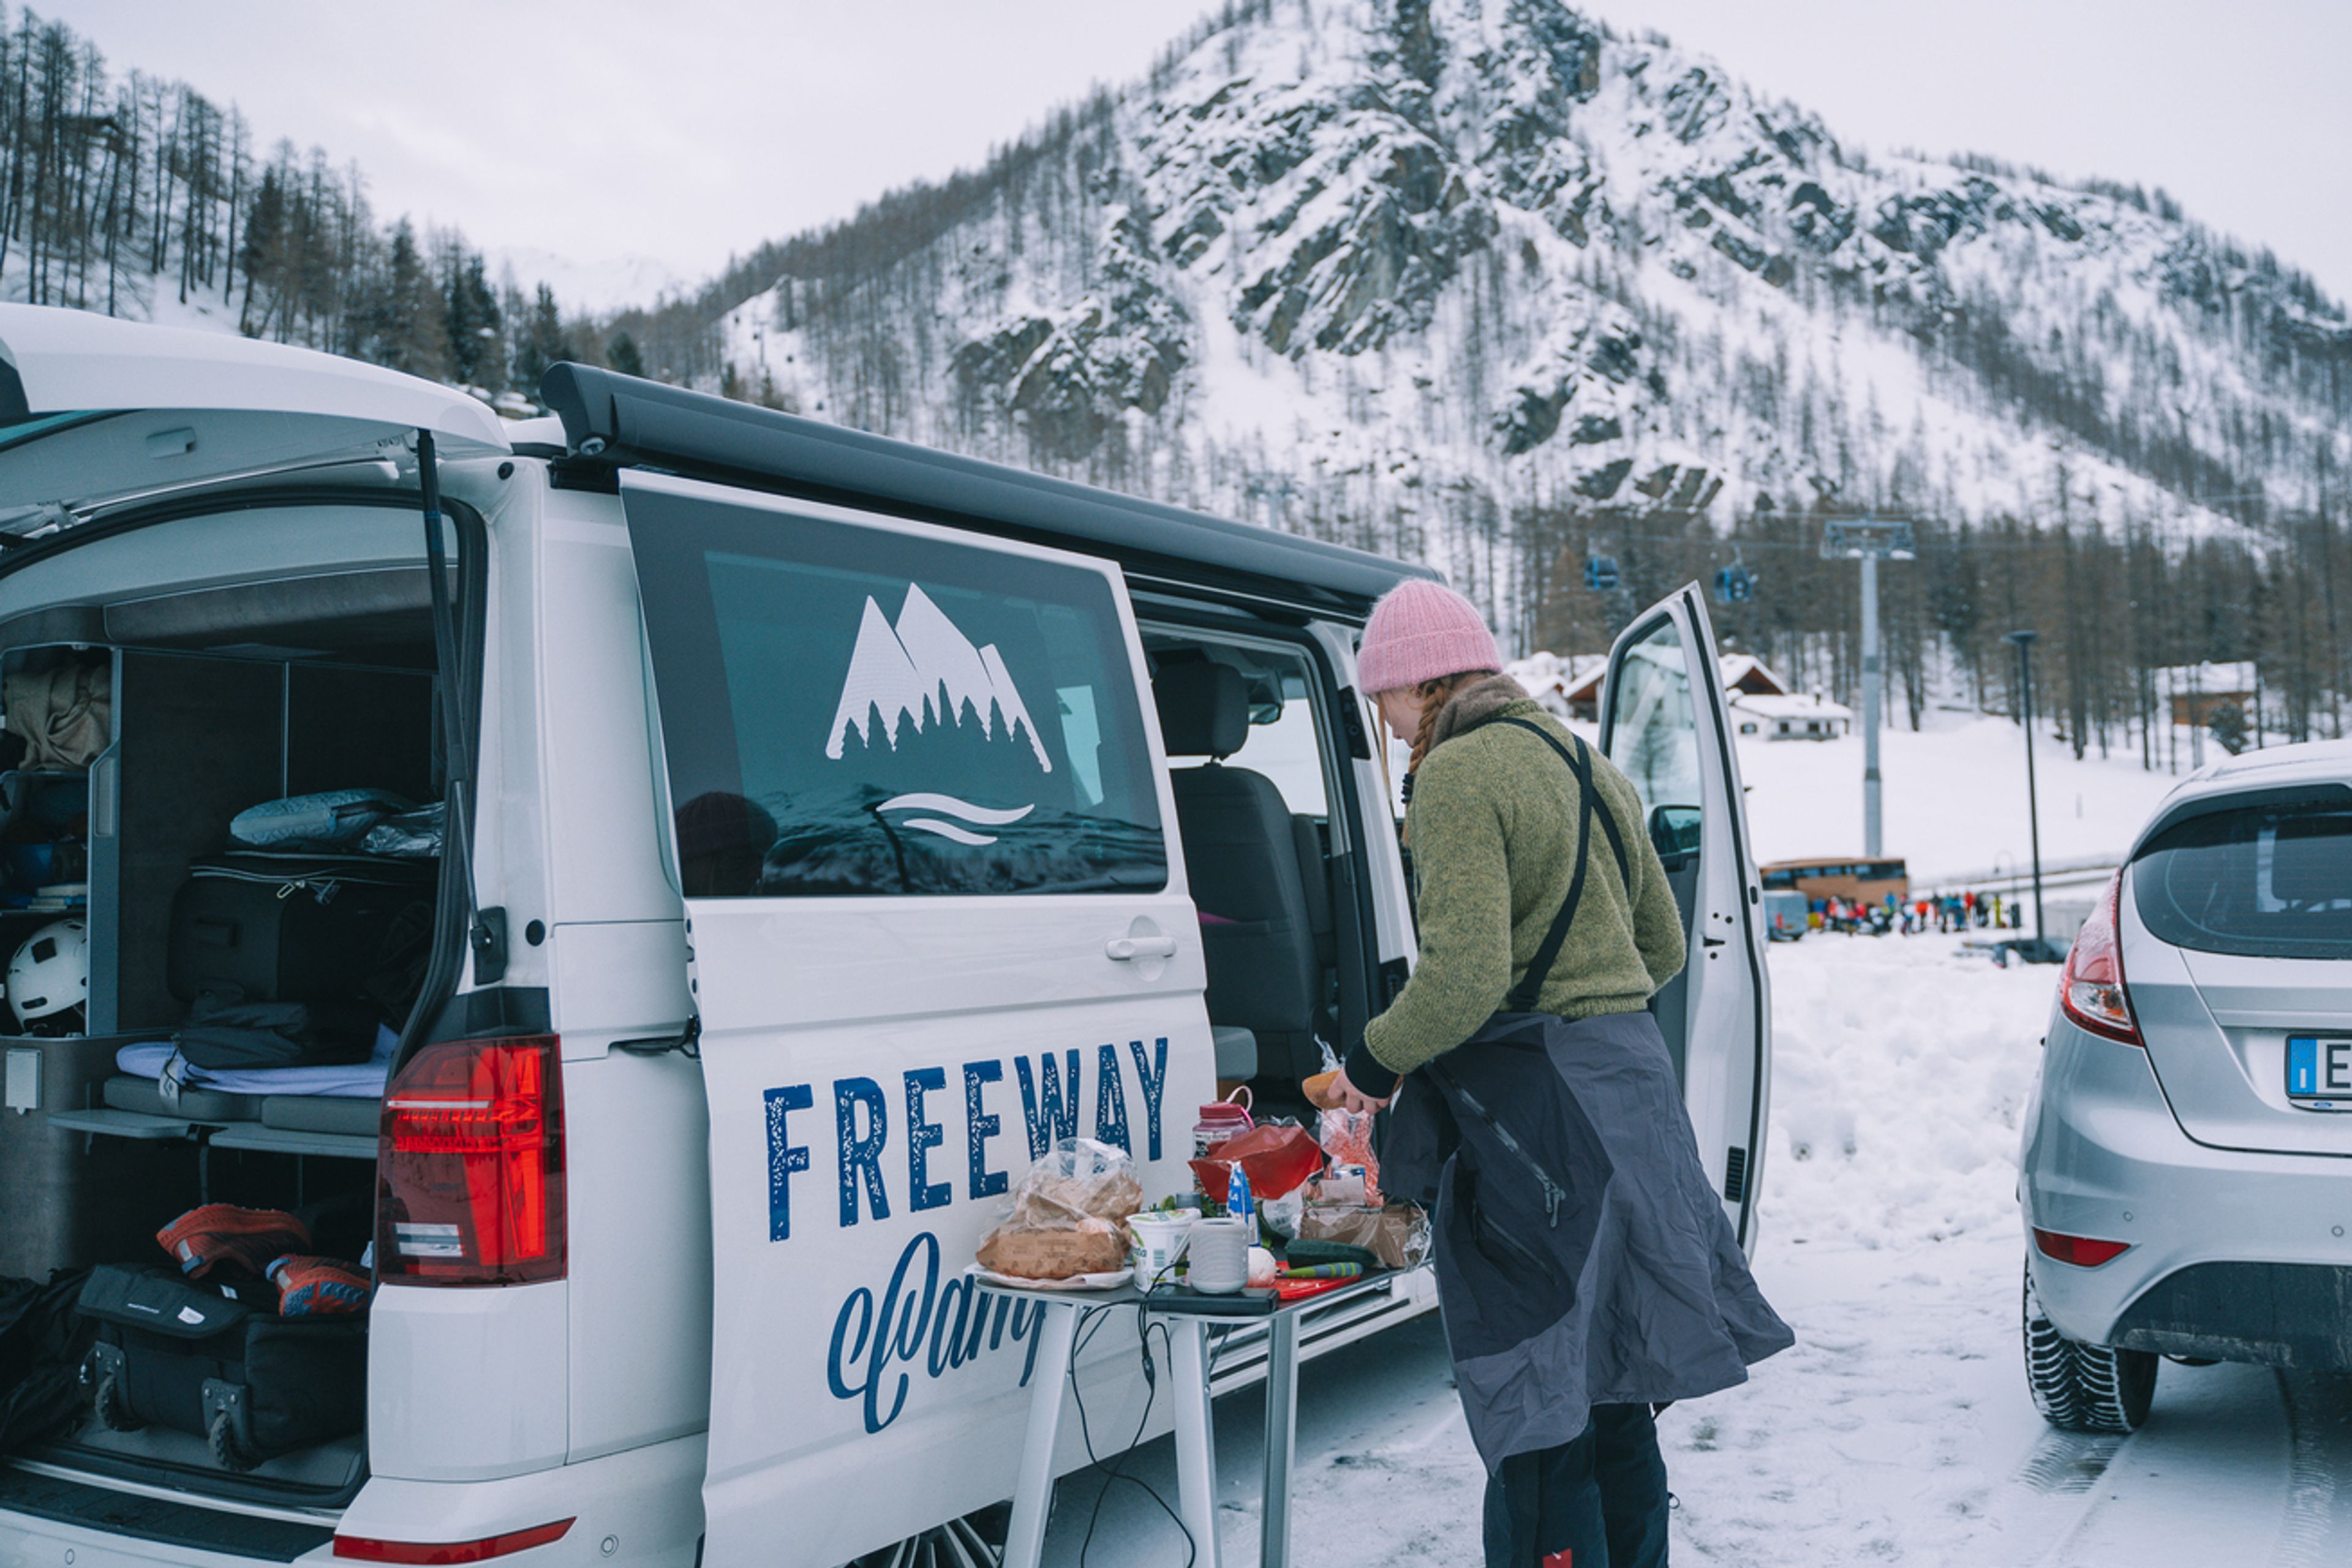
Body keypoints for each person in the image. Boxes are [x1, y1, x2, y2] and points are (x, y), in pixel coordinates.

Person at [1321, 581, 1792, 1568]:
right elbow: (1660, 943)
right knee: (1614, 1382)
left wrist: (1371, 1064)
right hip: (1630, 1092)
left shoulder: (1455, 775)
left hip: (1537, 1116)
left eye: (1384, 699)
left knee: (1537, 1397)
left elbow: (1464, 978)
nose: (1386, 720)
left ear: (1419, 685)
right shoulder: (1587, 761)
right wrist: (1589, 992)